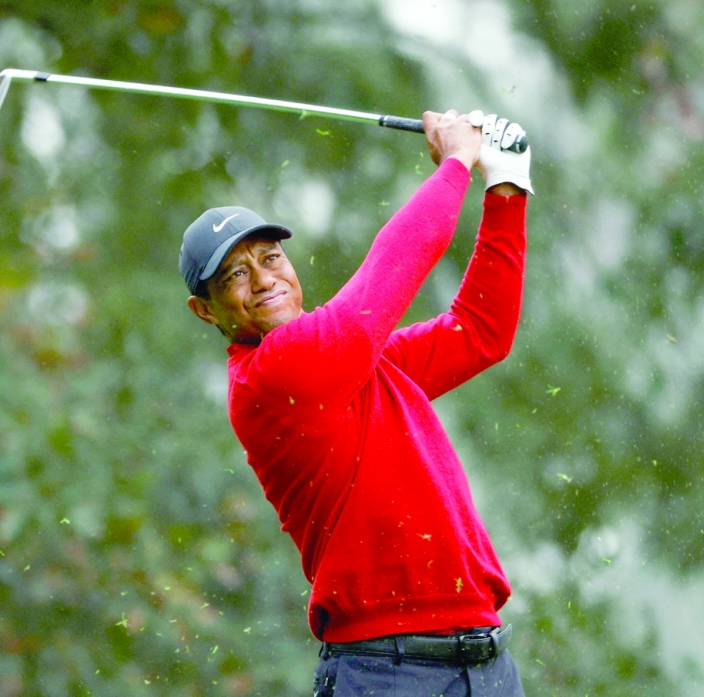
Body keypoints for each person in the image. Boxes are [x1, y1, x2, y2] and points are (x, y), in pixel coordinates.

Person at [179, 109, 533, 697]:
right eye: (233, 277)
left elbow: (481, 332)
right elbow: (394, 263)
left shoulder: (361, 363)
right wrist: (456, 162)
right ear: (207, 310)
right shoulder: (272, 375)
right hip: (385, 673)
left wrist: (507, 188)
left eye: (270, 258)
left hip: (486, 663)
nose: (263, 279)